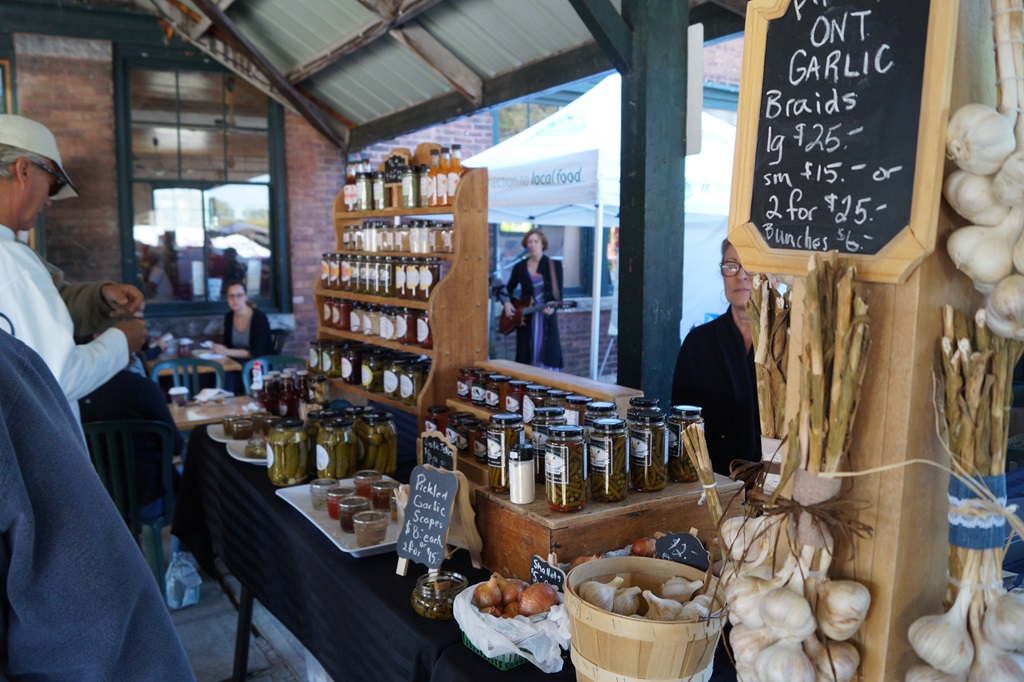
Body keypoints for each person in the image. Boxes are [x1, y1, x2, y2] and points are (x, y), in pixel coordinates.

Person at [0, 331, 195, 679]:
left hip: (111, 502)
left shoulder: (59, 389)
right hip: (144, 505)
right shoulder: (141, 389)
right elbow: (177, 443)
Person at [0, 115, 147, 423]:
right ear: (23, 170)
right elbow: (59, 377)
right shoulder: (13, 261)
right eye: (52, 186)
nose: (49, 201)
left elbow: (39, 313)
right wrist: (122, 340)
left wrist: (100, 296)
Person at [670, 239, 760, 474]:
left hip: (777, 488)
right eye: (731, 266)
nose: (741, 276)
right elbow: (683, 428)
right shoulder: (698, 344)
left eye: (749, 265)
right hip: (715, 486)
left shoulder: (786, 344)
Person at [80, 369, 185, 513]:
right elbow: (176, 446)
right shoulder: (142, 388)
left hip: (94, 500)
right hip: (148, 495)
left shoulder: (68, 392)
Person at [502, 228, 564, 370]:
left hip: (546, 318)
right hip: (526, 317)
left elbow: (559, 297)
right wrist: (506, 303)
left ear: (543, 245)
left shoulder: (554, 266)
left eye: (536, 241)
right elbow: (508, 288)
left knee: (546, 356)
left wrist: (552, 308)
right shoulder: (519, 266)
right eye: (530, 242)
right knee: (525, 356)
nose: (533, 244)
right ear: (526, 245)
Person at [211, 279, 273, 393]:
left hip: (259, 365)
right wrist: (217, 348)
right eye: (231, 296)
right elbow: (228, 344)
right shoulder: (229, 317)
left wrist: (226, 352)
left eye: (239, 295)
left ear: (246, 297)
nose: (235, 299)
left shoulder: (259, 318)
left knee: (227, 377)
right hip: (237, 363)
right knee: (214, 374)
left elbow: (256, 352)